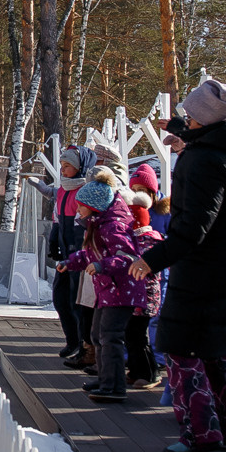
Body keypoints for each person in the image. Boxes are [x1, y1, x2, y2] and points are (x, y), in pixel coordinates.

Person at [132, 80, 226, 452]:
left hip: (201, 268)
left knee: (181, 349)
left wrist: (152, 259)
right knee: (213, 349)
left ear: (202, 118)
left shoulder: (204, 162)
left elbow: (194, 225)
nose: (185, 119)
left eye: (189, 115)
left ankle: (199, 431)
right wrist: (177, 128)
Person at [58, 167, 146, 404]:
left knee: (110, 335)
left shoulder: (113, 227)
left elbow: (127, 257)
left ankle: (114, 385)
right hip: (109, 290)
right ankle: (105, 377)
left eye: (81, 206)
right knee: (98, 334)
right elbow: (90, 254)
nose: (77, 211)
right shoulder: (97, 226)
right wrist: (71, 262)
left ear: (94, 206)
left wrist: (102, 266)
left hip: (121, 289)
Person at [47, 146, 95, 365]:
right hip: (66, 250)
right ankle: (72, 339)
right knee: (60, 297)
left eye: (68, 166)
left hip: (80, 252)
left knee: (78, 301)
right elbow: (58, 217)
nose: (63, 169)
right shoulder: (62, 190)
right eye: (62, 165)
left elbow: (85, 224)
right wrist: (54, 238)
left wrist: (81, 249)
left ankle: (84, 346)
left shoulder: (86, 189)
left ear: (80, 167)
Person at [124, 164, 168, 388]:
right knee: (133, 332)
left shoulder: (163, 213)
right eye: (135, 189)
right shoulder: (131, 213)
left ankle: (153, 369)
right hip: (133, 289)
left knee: (143, 331)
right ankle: (137, 368)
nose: (139, 193)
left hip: (150, 286)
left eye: (143, 189)